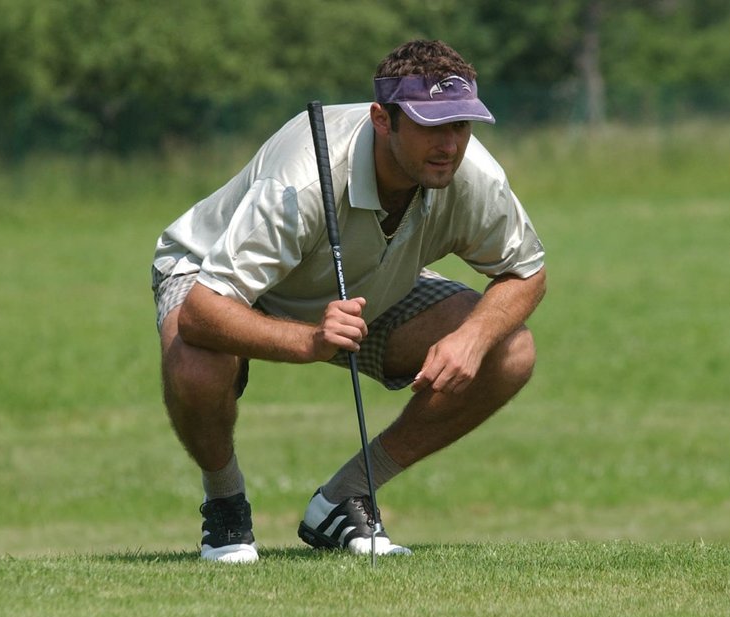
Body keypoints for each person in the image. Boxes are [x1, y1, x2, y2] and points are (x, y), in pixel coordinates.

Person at [151, 39, 546, 563]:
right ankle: (225, 506)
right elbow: (204, 312)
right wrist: (310, 340)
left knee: (508, 350)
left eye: (460, 125)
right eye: (431, 125)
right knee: (194, 358)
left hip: (362, 288)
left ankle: (344, 499)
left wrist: (471, 340)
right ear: (383, 120)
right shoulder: (303, 180)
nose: (450, 144)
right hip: (214, 275)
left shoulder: (472, 175)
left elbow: (526, 272)